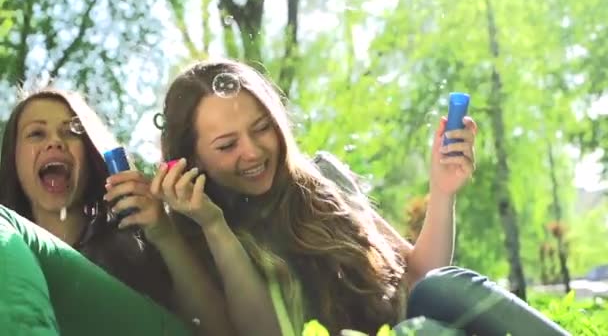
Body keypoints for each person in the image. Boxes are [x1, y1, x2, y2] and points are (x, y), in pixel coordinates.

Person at [152, 58, 570, 336]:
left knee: (442, 290)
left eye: (262, 127)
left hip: (419, 328)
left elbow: (419, 277)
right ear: (192, 160)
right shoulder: (193, 241)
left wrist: (442, 192)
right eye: (227, 145)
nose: (254, 151)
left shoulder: (322, 182)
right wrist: (215, 227)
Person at [0, 89, 234, 335]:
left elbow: (218, 331)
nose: (55, 141)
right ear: (12, 160)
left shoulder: (136, 245)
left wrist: (164, 234)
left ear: (91, 156)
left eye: (70, 131)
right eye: (36, 133)